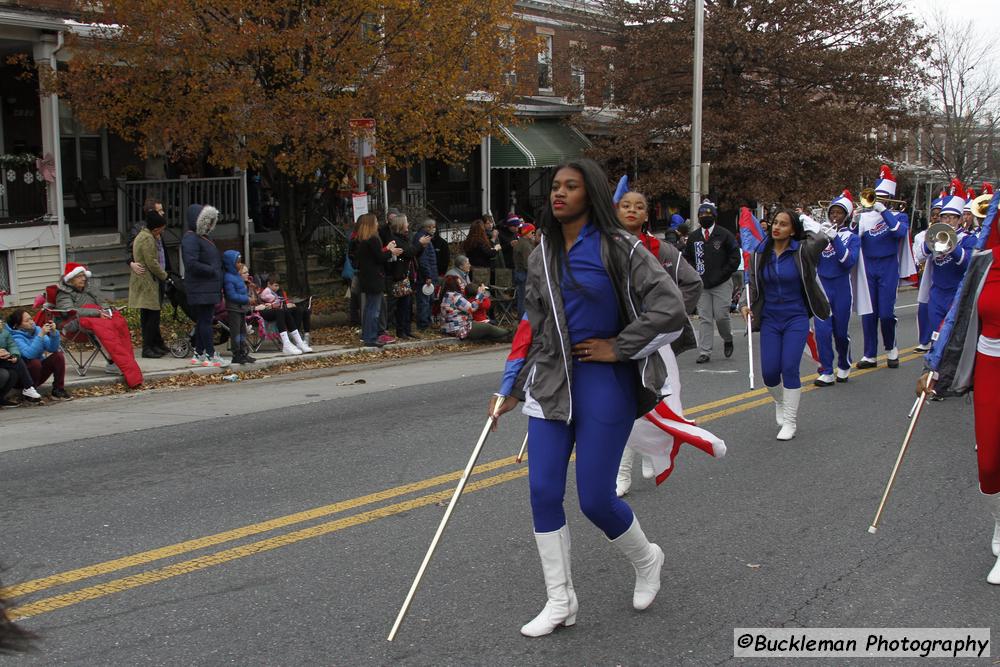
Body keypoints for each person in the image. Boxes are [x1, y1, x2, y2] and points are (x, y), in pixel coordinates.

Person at [491, 159, 688, 637]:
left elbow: (670, 307)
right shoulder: (541, 254)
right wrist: (511, 386)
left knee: (596, 499)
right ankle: (561, 600)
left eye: (571, 187)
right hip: (552, 380)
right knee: (542, 492)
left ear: (590, 194)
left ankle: (647, 559)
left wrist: (618, 346)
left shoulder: (622, 247)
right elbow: (533, 326)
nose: (559, 193)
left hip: (605, 380)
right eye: (555, 186)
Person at [917, 199, 1000, 584]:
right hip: (989, 364)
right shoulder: (985, 261)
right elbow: (958, 318)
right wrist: (935, 366)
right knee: (989, 462)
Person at [613, 189, 703, 496]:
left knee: (652, 401)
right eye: (625, 205)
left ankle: (652, 451)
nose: (632, 211)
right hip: (616, 339)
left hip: (653, 341)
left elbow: (692, 282)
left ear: (647, 214)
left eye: (639, 206)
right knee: (620, 405)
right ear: (615, 210)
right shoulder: (601, 247)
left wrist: (669, 317)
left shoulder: (660, 249)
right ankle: (622, 471)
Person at [742, 209, 832, 440]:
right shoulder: (760, 253)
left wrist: (804, 218)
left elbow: (821, 238)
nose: (776, 227)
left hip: (796, 316)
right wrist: (744, 303)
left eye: (783, 224)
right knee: (770, 373)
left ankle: (790, 422)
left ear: (792, 230)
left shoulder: (802, 251)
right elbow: (751, 284)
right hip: (770, 318)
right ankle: (781, 401)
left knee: (789, 367)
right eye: (774, 223)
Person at [851, 165, 914, 369]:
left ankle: (891, 348)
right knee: (868, 313)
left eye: (883, 197)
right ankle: (869, 354)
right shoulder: (864, 217)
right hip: (868, 266)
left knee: (886, 313)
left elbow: (899, 233)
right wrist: (853, 220)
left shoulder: (898, 216)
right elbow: (851, 238)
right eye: (877, 197)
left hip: (888, 266)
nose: (878, 200)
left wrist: (883, 211)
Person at [55, 262, 143, 387]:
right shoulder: (63, 293)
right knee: (105, 330)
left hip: (98, 316)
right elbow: (70, 311)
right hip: (75, 322)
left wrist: (107, 311)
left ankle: (119, 362)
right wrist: (97, 313)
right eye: (79, 276)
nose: (84, 278)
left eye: (84, 276)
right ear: (70, 279)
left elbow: (102, 302)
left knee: (119, 323)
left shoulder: (89, 289)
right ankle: (118, 363)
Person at [917, 180, 976, 345]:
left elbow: (967, 263)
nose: (948, 221)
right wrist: (931, 243)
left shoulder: (968, 239)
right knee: (936, 337)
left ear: (959, 219)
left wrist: (951, 245)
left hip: (956, 294)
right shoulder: (934, 234)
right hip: (936, 294)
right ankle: (934, 369)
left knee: (952, 340)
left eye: (952, 217)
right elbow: (919, 256)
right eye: (944, 217)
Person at [683, 201, 741, 363]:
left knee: (722, 315)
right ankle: (705, 351)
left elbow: (735, 257)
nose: (704, 218)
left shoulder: (724, 235)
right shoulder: (694, 237)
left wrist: (723, 274)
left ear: (714, 216)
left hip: (721, 282)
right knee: (705, 318)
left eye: (708, 215)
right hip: (702, 285)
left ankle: (727, 338)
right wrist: (693, 274)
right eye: (701, 215)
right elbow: (687, 258)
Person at [813, 191, 861, 386]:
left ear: (846, 216)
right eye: (832, 212)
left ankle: (844, 363)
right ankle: (826, 369)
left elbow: (847, 262)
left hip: (841, 288)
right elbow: (810, 259)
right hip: (822, 288)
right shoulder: (821, 234)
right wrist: (817, 238)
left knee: (840, 333)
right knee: (822, 331)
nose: (835, 216)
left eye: (839, 213)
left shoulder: (852, 237)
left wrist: (835, 239)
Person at [180, 204, 229, 367]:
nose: (208, 225)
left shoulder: (203, 238)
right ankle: (210, 353)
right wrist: (212, 270)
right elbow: (191, 263)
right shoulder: (190, 238)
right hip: (201, 287)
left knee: (203, 320)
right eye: (206, 221)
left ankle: (199, 353)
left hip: (207, 287)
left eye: (210, 222)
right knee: (206, 321)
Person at [355, 213, 402, 347]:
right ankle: (371, 337)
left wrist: (387, 249)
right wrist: (391, 252)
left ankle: (367, 335)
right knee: (374, 310)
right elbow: (380, 258)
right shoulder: (373, 239)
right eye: (375, 221)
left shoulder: (363, 240)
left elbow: (374, 255)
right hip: (375, 277)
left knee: (369, 308)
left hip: (366, 278)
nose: (377, 224)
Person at [129, 209, 170, 358]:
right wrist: (164, 275)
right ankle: (147, 348)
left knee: (148, 315)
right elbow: (151, 262)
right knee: (152, 316)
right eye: (161, 229)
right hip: (148, 282)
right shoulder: (147, 239)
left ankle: (153, 344)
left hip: (146, 280)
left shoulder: (145, 236)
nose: (162, 231)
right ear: (156, 228)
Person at [6, 309, 69, 399]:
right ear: (17, 326)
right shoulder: (15, 338)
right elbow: (29, 355)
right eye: (27, 321)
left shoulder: (37, 330)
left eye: (31, 319)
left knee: (58, 356)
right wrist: (40, 336)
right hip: (22, 378)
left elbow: (52, 348)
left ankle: (58, 389)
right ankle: (30, 393)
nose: (31, 322)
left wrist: (54, 333)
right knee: (35, 362)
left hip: (38, 373)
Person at [912, 190, 946, 353]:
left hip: (946, 275)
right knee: (924, 307)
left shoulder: (951, 234)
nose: (935, 217)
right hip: (928, 273)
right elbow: (918, 256)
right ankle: (925, 340)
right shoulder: (921, 235)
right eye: (933, 214)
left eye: (939, 215)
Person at [257, 273, 312, 354]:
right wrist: (280, 304)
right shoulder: (266, 292)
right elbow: (278, 302)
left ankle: (299, 342)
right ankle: (288, 344)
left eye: (278, 286)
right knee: (282, 310)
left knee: (292, 310)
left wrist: (283, 304)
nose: (277, 287)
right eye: (275, 285)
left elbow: (280, 301)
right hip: (262, 311)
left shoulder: (273, 291)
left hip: (271, 309)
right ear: (268, 284)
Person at [439, 275, 508, 341]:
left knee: (486, 330)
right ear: (454, 285)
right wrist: (480, 294)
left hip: (449, 328)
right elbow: (472, 308)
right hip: (459, 328)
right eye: (460, 284)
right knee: (487, 327)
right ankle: (510, 334)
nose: (463, 285)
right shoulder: (455, 297)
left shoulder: (447, 295)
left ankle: (506, 337)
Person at [222, 250, 255, 364]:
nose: (240, 264)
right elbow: (231, 295)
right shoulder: (228, 278)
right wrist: (247, 299)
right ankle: (236, 353)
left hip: (241, 308)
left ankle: (243, 352)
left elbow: (242, 290)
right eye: (237, 262)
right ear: (230, 264)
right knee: (236, 332)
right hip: (234, 309)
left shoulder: (236, 275)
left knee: (242, 332)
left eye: (240, 262)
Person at [388, 214, 417, 339]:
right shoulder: (396, 239)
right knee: (400, 305)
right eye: (406, 222)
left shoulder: (406, 238)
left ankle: (406, 329)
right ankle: (400, 330)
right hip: (399, 276)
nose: (408, 225)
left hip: (408, 275)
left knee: (407, 305)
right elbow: (409, 252)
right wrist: (420, 244)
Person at [0, 321, 42, 404]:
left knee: (13, 372)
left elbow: (12, 345)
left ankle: (1, 398)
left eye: (0, 321)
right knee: (6, 372)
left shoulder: (4, 333)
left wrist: (14, 355)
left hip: (2, 359)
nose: (0, 323)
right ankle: (29, 387)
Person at [412, 218, 438, 331]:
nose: (435, 230)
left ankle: (426, 322)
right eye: (434, 227)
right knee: (424, 301)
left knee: (428, 300)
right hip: (425, 277)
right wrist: (428, 276)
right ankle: (423, 325)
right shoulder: (423, 238)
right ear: (428, 227)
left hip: (428, 275)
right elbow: (423, 259)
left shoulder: (424, 237)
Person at [512, 223, 537, 317]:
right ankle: (523, 319)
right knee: (524, 298)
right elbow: (528, 264)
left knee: (521, 297)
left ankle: (521, 317)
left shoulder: (521, 242)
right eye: (532, 232)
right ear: (526, 233)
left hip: (519, 272)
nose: (534, 234)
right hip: (524, 274)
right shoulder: (525, 245)